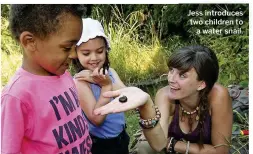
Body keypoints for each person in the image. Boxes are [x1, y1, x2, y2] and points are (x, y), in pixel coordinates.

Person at [94, 45, 233, 154]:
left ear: (201, 84)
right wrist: (146, 105)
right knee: (144, 147)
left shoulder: (218, 96)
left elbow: (221, 151)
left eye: (182, 76)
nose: (171, 79)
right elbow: (159, 144)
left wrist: (173, 144)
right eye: (171, 70)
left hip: (176, 147)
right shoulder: (165, 95)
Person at [1, 5, 92, 154]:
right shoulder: (16, 97)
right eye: (67, 47)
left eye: (76, 46)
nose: (75, 55)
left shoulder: (64, 75)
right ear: (30, 42)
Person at [72, 18, 130, 154]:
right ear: (76, 54)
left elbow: (128, 96)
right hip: (102, 146)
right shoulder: (80, 81)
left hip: (121, 137)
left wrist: (107, 82)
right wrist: (105, 87)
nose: (94, 58)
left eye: (99, 51)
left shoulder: (111, 72)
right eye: (86, 53)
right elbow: (97, 119)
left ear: (106, 50)